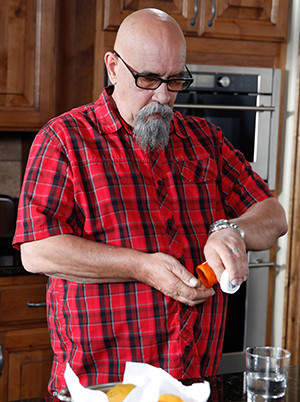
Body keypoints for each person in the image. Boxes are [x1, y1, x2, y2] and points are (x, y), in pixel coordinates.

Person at [13, 7, 287, 395]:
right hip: (103, 387)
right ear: (113, 67)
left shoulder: (203, 139)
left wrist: (233, 230)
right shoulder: (63, 140)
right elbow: (37, 251)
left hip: (192, 385)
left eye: (175, 80)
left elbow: (273, 213)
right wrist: (142, 267)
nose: (162, 96)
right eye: (147, 79)